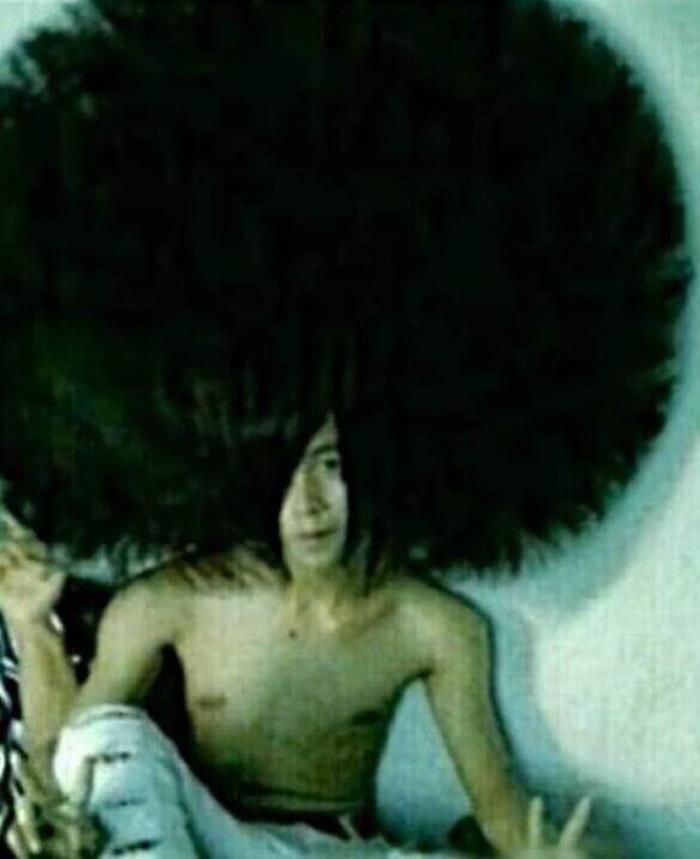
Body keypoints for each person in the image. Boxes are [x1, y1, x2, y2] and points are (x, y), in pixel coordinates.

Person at [2, 416, 590, 858]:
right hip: (202, 838)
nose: (308, 504)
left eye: (328, 466)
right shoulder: (172, 599)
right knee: (109, 734)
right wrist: (31, 626)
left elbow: (501, 811)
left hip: (332, 850)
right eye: (282, 476)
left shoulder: (435, 624)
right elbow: (74, 759)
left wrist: (551, 854)